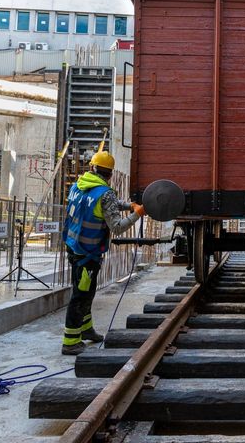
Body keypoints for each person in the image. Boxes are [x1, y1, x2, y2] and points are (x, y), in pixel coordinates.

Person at [61, 149, 145, 355]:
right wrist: (137, 214)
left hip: (74, 246)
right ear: (110, 174)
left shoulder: (78, 186)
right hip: (87, 253)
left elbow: (102, 204)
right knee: (80, 295)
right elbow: (116, 226)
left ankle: (86, 329)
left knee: (87, 291)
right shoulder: (105, 193)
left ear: (92, 168)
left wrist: (128, 205)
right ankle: (70, 341)